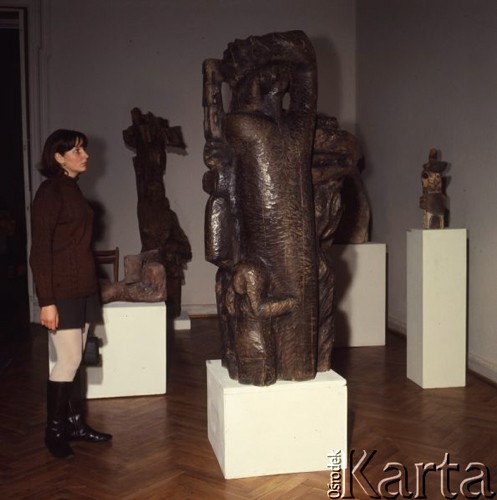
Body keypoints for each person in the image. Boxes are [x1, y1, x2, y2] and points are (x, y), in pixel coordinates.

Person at [30, 129, 112, 459]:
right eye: (76, 151)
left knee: (77, 360)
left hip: (83, 289)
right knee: (69, 360)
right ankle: (54, 430)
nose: (85, 155)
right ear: (58, 158)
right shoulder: (50, 192)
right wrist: (46, 301)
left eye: (84, 149)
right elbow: (39, 251)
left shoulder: (73, 190)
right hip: (61, 291)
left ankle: (76, 424)